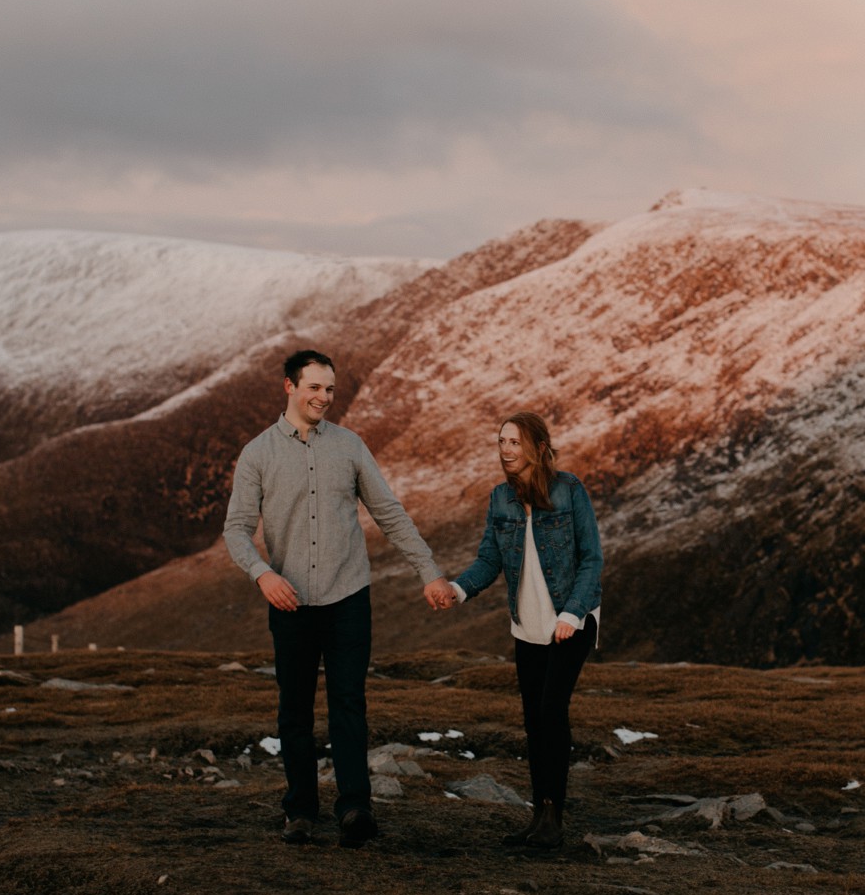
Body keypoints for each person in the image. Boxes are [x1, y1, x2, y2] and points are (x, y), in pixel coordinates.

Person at [223, 349, 455, 847]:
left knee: (350, 704)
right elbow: (237, 530)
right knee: (295, 712)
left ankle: (354, 808)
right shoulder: (257, 454)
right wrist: (263, 574)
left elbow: (389, 512)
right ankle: (301, 811)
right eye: (314, 387)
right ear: (289, 387)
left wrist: (429, 572)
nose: (324, 397)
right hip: (289, 601)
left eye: (330, 389)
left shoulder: (350, 447)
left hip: (348, 597)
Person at [436, 412, 602, 848]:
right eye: (501, 442)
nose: (506, 449)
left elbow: (592, 560)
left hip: (571, 622)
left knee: (551, 712)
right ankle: (539, 814)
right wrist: (457, 589)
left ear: (538, 447)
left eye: (514, 442)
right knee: (533, 721)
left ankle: (554, 817)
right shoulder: (500, 499)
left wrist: (572, 614)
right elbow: (489, 560)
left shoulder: (569, 490)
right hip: (526, 625)